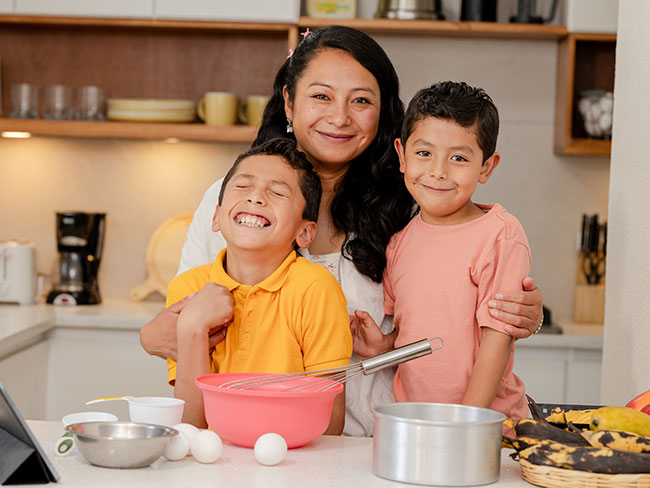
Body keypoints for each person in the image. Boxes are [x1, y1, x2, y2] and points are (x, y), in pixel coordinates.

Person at [140, 25, 543, 435]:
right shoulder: (237, 202)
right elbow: (184, 322)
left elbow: (465, 299)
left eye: (361, 101)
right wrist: (150, 336)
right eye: (321, 96)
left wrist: (523, 313)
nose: (339, 117)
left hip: (388, 437)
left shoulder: (415, 200)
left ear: (383, 112)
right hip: (260, 436)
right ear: (289, 102)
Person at [352, 81, 529, 419]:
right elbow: (419, 334)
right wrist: (383, 346)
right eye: (424, 153)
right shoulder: (399, 242)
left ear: (487, 167)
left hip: (487, 428)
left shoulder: (499, 235)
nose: (437, 171)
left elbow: (497, 341)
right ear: (402, 156)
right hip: (419, 422)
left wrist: (465, 423)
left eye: (459, 158)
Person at [168, 138, 352, 430]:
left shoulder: (317, 288)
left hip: (293, 461)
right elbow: (191, 424)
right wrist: (192, 328)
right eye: (242, 187)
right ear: (215, 218)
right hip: (211, 460)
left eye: (278, 192)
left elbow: (329, 423)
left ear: (305, 233)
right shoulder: (187, 288)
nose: (255, 198)